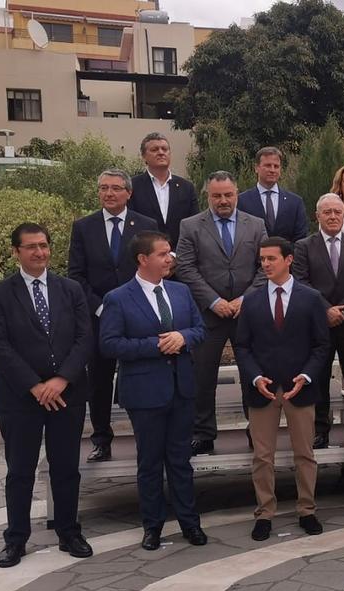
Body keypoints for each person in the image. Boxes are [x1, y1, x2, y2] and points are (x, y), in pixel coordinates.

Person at [0, 223, 93, 567]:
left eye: (44, 246)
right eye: (31, 247)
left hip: (66, 396)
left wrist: (60, 380)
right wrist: (35, 385)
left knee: (65, 468)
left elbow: (84, 338)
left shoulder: (70, 289)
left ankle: (68, 532)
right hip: (19, 398)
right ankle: (16, 539)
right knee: (20, 470)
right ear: (16, 251)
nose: (39, 253)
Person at [100, 230, 207, 550]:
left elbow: (200, 330)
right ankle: (153, 526)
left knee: (180, 460)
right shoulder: (118, 298)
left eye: (170, 253)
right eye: (163, 254)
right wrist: (157, 345)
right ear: (143, 259)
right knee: (149, 462)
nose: (169, 259)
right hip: (145, 393)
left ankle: (190, 523)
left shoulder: (180, 292)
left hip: (181, 389)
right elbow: (109, 344)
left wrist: (184, 337)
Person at [235, 237, 331, 540]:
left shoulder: (311, 298)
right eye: (262, 259)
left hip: (299, 388)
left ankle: (307, 510)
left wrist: (307, 375)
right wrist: (254, 377)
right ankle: (264, 513)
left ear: (288, 260)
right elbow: (242, 345)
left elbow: (322, 345)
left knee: (305, 453)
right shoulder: (250, 300)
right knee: (262, 456)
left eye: (271, 259)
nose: (265, 264)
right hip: (262, 389)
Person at [68, 169, 161, 462]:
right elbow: (76, 275)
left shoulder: (146, 226)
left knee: (144, 374)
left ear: (128, 193)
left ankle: (147, 436)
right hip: (99, 317)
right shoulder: (84, 227)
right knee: (99, 380)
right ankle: (101, 440)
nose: (109, 193)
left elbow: (154, 269)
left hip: (140, 314)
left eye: (115, 188)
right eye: (103, 188)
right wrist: (101, 307)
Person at [175, 171, 268, 455]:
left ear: (237, 193)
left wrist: (245, 299)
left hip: (246, 314)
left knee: (253, 375)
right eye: (217, 196)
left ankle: (257, 430)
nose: (223, 200)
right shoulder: (190, 226)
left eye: (228, 194)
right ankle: (203, 433)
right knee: (202, 377)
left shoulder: (256, 224)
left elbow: (266, 266)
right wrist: (214, 301)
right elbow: (185, 268)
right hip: (207, 315)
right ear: (208, 196)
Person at [292, 194, 344, 449]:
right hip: (318, 323)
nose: (333, 216)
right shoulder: (304, 246)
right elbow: (301, 281)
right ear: (318, 216)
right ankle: (320, 429)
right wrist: (325, 310)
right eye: (328, 212)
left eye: (337, 211)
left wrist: (342, 310)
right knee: (318, 377)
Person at [128, 132, 200, 244]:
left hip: (180, 255)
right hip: (145, 255)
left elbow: (194, 224)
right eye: (154, 149)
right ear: (144, 156)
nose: (161, 152)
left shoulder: (186, 187)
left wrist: (174, 255)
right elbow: (130, 224)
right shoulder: (132, 186)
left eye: (164, 149)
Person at [238, 147, 309, 242]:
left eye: (276, 166)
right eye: (267, 165)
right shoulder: (242, 201)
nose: (272, 170)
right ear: (256, 168)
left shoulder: (295, 202)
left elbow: (301, 238)